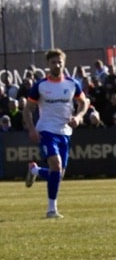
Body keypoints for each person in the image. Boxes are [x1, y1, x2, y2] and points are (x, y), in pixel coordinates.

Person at [23, 48, 88, 219]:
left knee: (58, 174)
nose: (57, 65)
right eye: (53, 62)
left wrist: (79, 117)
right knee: (56, 164)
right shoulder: (41, 86)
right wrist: (31, 128)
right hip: (46, 129)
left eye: (60, 62)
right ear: (48, 64)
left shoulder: (72, 84)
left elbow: (83, 102)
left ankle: (35, 171)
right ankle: (52, 209)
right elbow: (28, 109)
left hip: (65, 132)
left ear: (64, 63)